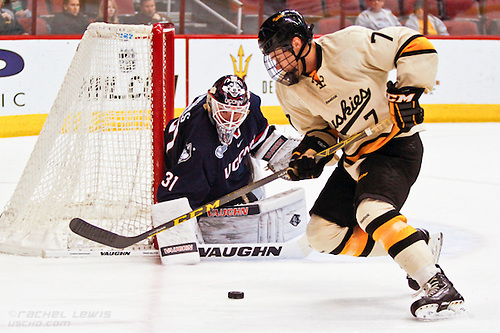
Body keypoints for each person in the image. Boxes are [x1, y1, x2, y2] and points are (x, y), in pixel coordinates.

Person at [258, 9, 465, 320]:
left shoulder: (349, 45)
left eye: (279, 54)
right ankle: (416, 244)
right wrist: (310, 154)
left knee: (371, 210)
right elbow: (320, 131)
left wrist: (409, 92)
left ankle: (437, 285)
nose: (276, 63)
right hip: (357, 157)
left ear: (298, 43)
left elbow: (413, 43)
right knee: (321, 235)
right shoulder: (289, 90)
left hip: (397, 145)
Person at [153, 75, 307, 265]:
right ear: (210, 103)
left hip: (228, 168)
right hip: (198, 175)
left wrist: (294, 155)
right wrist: (179, 238)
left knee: (250, 176)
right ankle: (214, 212)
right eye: (225, 112)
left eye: (237, 113)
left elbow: (262, 140)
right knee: (196, 188)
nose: (231, 120)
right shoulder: (200, 147)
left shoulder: (250, 109)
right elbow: (172, 199)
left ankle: (237, 194)